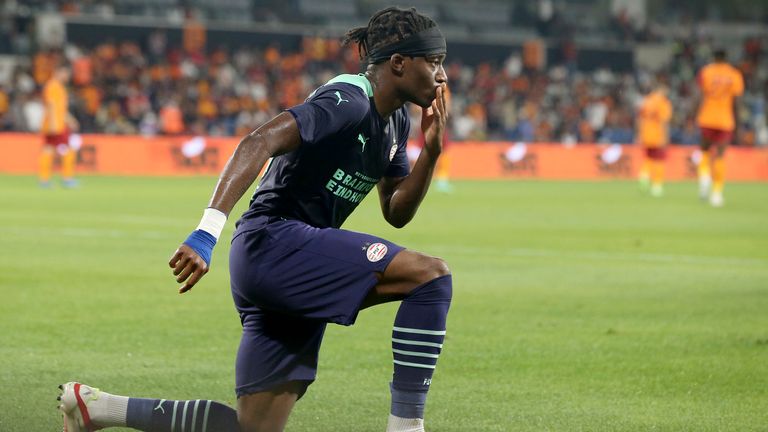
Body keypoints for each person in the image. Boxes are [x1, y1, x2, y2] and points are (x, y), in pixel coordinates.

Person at [59, 7, 452, 432]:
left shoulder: (394, 121)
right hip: (274, 244)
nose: (442, 75)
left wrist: (430, 152)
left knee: (252, 429)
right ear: (399, 62)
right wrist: (206, 232)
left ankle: (97, 408)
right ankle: (407, 427)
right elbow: (258, 140)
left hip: (291, 263)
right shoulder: (348, 100)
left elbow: (395, 210)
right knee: (430, 278)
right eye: (434, 62)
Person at [695, 49, 744, 207]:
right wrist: (739, 123)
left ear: (714, 57)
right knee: (720, 156)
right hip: (725, 120)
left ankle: (704, 178)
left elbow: (699, 95)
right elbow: (737, 101)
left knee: (704, 151)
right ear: (726, 58)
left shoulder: (706, 72)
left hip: (707, 118)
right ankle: (716, 194)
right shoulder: (734, 74)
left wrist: (693, 113)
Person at [39, 63, 79, 188]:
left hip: (56, 123)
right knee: (68, 149)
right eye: (65, 73)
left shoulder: (59, 87)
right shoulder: (53, 86)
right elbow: (50, 104)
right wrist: (53, 123)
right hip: (56, 125)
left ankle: (44, 180)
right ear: (58, 72)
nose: (67, 76)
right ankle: (67, 178)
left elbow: (60, 108)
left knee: (48, 149)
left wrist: (70, 119)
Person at [636, 83, 672, 197]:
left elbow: (640, 118)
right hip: (657, 135)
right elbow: (663, 121)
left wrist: (639, 134)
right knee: (659, 160)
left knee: (649, 157)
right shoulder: (663, 102)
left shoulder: (646, 101)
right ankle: (657, 186)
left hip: (646, 134)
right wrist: (665, 137)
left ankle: (644, 175)